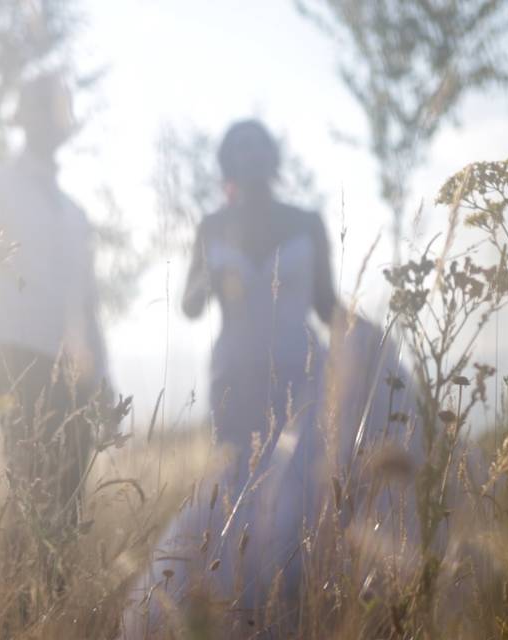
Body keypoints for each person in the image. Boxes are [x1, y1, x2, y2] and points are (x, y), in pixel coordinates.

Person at [124, 119, 340, 635]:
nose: (250, 154)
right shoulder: (212, 227)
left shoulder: (307, 222)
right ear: (228, 163)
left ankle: (298, 605)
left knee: (297, 485)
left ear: (272, 156)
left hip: (301, 372)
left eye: (258, 144)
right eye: (239, 148)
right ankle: (239, 606)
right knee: (238, 480)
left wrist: (369, 344)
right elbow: (192, 304)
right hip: (234, 379)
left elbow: (329, 306)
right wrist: (212, 276)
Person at [0, 73, 111, 549]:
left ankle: (53, 615)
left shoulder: (75, 213)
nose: (55, 118)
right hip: (18, 366)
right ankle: (23, 616)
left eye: (61, 109)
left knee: (67, 514)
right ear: (26, 117)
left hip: (74, 379)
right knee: (30, 511)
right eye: (45, 107)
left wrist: (102, 380)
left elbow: (88, 304)